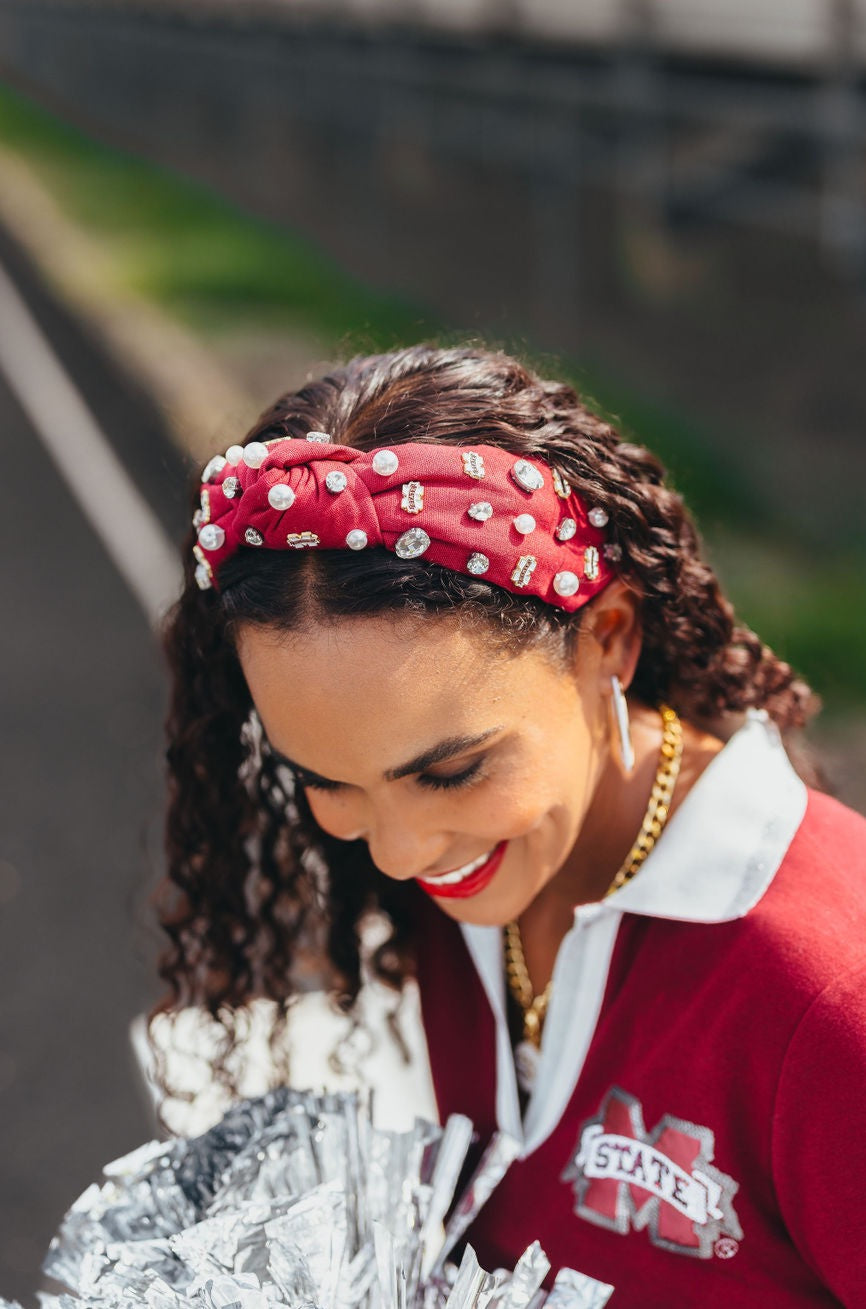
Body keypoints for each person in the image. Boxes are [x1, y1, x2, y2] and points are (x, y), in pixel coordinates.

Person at [155, 343, 866, 1307]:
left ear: (608, 639)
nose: (402, 853)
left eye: (451, 771)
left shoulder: (831, 1003)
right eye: (325, 780)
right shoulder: (483, 881)